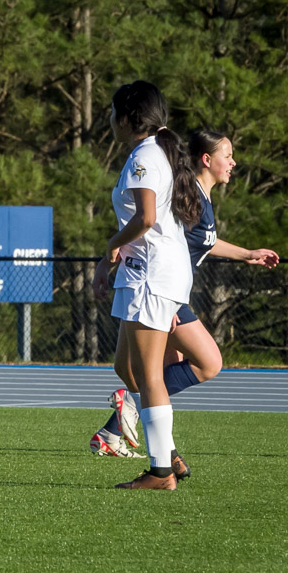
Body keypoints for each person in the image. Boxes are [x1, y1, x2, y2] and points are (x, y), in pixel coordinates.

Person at [90, 128, 279, 461]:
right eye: (227, 155)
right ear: (207, 160)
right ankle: (140, 428)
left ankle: (118, 433)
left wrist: (248, 253)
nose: (233, 162)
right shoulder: (188, 192)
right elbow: (169, 242)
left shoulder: (200, 197)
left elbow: (202, 243)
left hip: (160, 289)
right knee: (206, 363)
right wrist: (171, 298)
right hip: (160, 290)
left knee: (140, 372)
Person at [92, 81, 201, 490]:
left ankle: (160, 472)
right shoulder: (155, 151)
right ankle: (166, 452)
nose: (108, 118)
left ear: (127, 116)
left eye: (111, 110)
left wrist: (110, 250)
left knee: (149, 373)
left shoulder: (144, 155)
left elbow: (146, 218)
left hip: (152, 273)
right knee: (126, 367)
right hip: (148, 271)